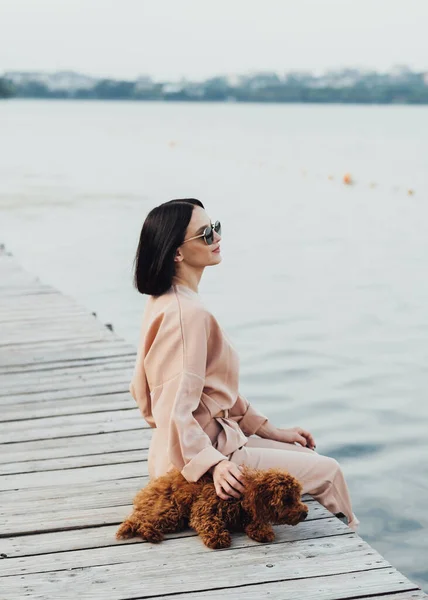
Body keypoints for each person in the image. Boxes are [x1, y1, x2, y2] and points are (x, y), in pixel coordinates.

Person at [129, 198, 359, 530]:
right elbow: (172, 408)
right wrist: (214, 465)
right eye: (205, 234)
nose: (217, 237)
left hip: (195, 445)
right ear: (176, 252)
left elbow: (211, 392)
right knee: (329, 472)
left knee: (309, 460)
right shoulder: (186, 315)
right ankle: (349, 545)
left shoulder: (169, 300)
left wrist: (270, 431)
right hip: (192, 459)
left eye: (216, 227)